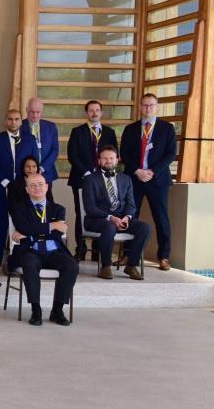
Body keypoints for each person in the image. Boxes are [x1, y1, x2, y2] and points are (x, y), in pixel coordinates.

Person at [9, 174, 77, 327]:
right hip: (30, 251)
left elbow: (58, 234)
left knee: (71, 265)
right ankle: (36, 310)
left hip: (53, 252)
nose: (37, 188)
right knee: (29, 263)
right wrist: (52, 225)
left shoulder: (58, 209)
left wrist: (30, 234)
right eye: (32, 185)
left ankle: (57, 310)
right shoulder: (18, 208)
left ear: (47, 187)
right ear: (27, 189)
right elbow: (24, 227)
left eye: (40, 184)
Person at [120, 93, 177, 271]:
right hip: (134, 179)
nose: (148, 108)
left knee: (161, 218)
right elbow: (124, 154)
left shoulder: (167, 128)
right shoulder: (130, 129)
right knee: (130, 216)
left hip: (157, 180)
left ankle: (164, 257)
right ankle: (127, 254)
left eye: (151, 105)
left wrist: (152, 171)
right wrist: (137, 171)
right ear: (140, 107)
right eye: (145, 105)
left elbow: (171, 154)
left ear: (157, 107)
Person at [82, 146, 150, 280]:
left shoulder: (126, 179)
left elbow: (131, 204)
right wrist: (111, 218)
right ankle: (106, 266)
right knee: (109, 227)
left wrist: (127, 217)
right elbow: (90, 207)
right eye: (105, 158)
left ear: (117, 160)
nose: (108, 161)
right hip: (97, 219)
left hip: (121, 219)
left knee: (145, 228)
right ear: (99, 161)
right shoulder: (90, 180)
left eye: (111, 158)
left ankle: (131, 265)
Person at [67, 100, 119, 260]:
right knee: (81, 213)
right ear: (86, 113)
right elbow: (72, 155)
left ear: (101, 112)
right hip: (81, 179)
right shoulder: (77, 131)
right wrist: (87, 173)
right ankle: (80, 250)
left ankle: (97, 252)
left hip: (104, 180)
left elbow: (114, 155)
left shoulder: (109, 132)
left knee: (102, 213)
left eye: (97, 110)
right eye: (91, 110)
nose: (94, 113)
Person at [0, 109, 32, 267]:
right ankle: (0, 254)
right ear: (6, 121)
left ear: (21, 121)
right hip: (2, 186)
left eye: (17, 119)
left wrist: (24, 182)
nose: (13, 122)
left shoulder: (30, 139)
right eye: (10, 119)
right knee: (2, 219)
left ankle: (21, 253)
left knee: (23, 219)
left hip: (23, 187)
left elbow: (33, 162)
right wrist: (6, 182)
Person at [21, 97, 59, 183]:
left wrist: (42, 168)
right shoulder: (19, 126)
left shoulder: (51, 127)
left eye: (38, 112)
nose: (35, 115)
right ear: (26, 110)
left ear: (42, 111)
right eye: (32, 112)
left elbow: (55, 150)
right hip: (25, 174)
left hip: (46, 172)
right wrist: (29, 169)